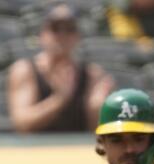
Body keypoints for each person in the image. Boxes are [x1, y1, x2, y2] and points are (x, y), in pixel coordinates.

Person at [7, 4, 115, 134]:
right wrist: (59, 99)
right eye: (55, 28)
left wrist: (96, 110)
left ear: (78, 36)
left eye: (70, 29)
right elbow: (22, 124)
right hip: (34, 151)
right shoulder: (25, 70)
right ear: (42, 34)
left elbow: (99, 135)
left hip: (78, 151)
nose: (62, 35)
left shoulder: (92, 75)